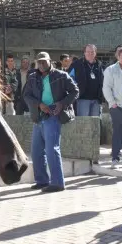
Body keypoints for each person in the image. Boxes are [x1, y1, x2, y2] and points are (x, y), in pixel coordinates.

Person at [23, 51, 79, 192]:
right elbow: (26, 95)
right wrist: (39, 104)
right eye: (39, 62)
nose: (41, 64)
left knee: (51, 149)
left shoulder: (61, 75)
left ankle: (57, 183)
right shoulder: (32, 77)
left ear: (50, 61)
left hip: (53, 114)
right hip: (39, 115)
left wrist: (62, 104)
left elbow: (75, 91)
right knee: (36, 151)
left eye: (44, 61)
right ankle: (42, 181)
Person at [68, 44, 104, 117]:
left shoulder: (99, 65)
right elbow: (69, 80)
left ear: (95, 53)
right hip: (82, 99)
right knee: (83, 123)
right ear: (84, 52)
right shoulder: (76, 64)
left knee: (95, 124)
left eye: (92, 52)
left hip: (96, 100)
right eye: (88, 51)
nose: (90, 54)